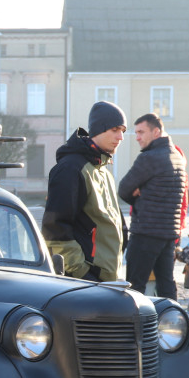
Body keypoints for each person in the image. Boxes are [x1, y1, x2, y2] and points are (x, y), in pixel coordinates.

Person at [41, 101, 129, 282]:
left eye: (123, 131)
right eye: (115, 129)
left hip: (107, 279)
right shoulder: (71, 169)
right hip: (84, 283)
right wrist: (83, 273)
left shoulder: (102, 170)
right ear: (98, 129)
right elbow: (55, 230)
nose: (120, 137)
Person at [117, 113, 187, 299]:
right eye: (136, 133)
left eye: (141, 132)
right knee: (166, 286)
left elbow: (124, 189)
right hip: (168, 234)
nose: (137, 137)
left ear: (156, 131)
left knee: (135, 287)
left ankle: (136, 327)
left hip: (146, 232)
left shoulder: (149, 158)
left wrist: (138, 196)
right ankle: (171, 323)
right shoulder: (177, 157)